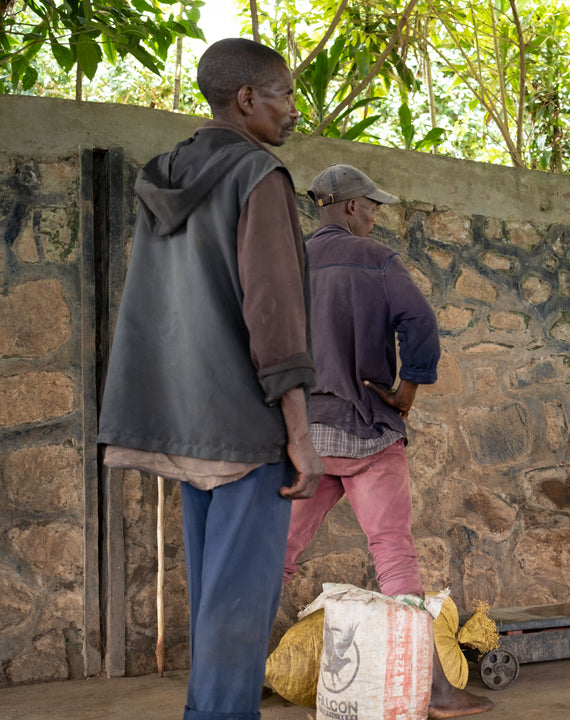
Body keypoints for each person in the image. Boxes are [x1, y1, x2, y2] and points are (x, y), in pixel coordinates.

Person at [96, 39, 323, 719]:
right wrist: (300, 436)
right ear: (246, 98)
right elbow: (274, 313)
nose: (291, 110)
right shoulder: (259, 176)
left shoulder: (164, 174)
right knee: (239, 606)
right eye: (282, 93)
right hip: (245, 428)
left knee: (215, 602)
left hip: (181, 420)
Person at [282, 164, 493, 718]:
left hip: (304, 438)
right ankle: (436, 691)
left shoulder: (288, 260)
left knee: (275, 558)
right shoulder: (376, 260)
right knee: (394, 555)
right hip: (368, 434)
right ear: (349, 207)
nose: (376, 215)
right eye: (372, 205)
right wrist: (406, 391)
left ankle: (239, 675)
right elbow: (420, 322)